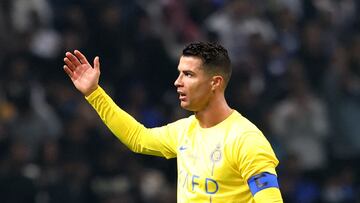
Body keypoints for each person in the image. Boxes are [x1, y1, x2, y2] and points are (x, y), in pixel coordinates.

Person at [63, 42, 283, 202]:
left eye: (188, 75)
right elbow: (137, 138)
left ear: (215, 82)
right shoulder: (185, 130)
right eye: (179, 73)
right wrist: (94, 93)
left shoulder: (246, 140)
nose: (177, 82)